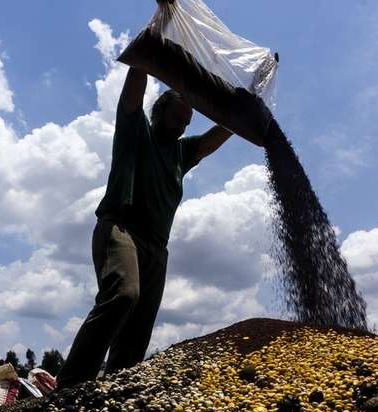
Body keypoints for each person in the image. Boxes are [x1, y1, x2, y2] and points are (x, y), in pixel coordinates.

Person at [55, 67, 242, 389]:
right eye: (177, 118)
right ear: (158, 112)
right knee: (124, 295)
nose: (181, 127)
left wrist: (245, 109)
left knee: (139, 328)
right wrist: (145, 56)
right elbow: (133, 89)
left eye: (186, 123)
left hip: (158, 248)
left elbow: (217, 136)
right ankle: (70, 385)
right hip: (121, 229)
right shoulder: (135, 130)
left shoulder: (183, 153)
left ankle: (115, 388)